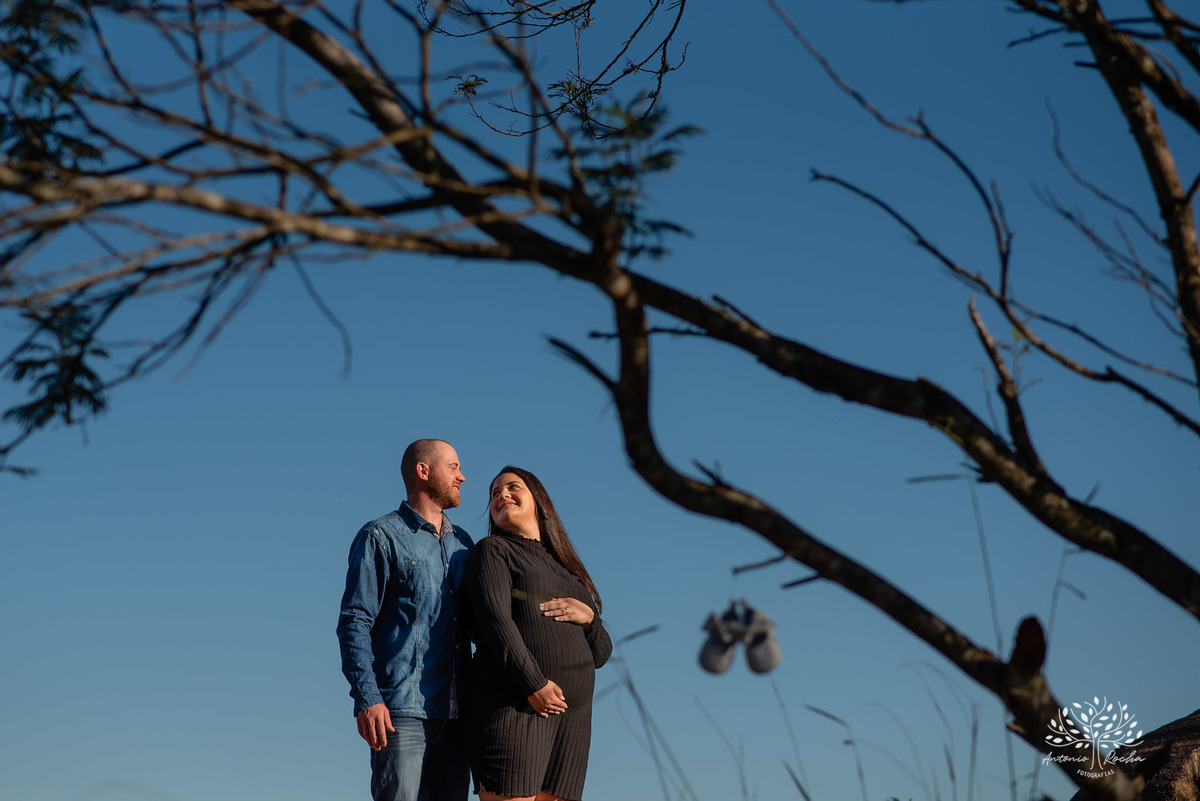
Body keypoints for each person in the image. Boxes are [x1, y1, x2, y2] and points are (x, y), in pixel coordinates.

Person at [337, 439, 473, 801]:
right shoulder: (379, 537)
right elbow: (355, 620)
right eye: (454, 467)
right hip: (401, 713)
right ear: (423, 471)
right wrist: (368, 698)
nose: (463, 476)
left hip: (459, 717)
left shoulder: (465, 545)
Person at [465, 465, 613, 801]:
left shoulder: (569, 570)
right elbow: (495, 622)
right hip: (516, 705)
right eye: (494, 493)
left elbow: (602, 653)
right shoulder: (493, 550)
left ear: (538, 500)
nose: (502, 495)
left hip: (572, 721)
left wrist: (590, 618)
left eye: (512, 487)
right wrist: (535, 684)